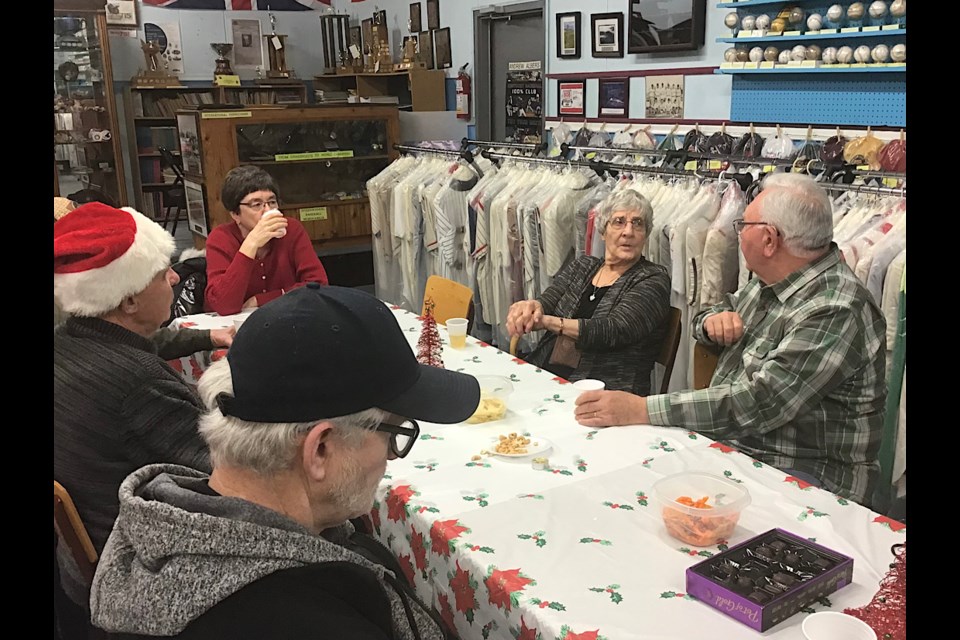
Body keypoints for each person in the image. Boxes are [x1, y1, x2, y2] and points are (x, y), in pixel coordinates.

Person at [90, 285, 481, 639]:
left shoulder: (169, 523)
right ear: (320, 450)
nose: (390, 460)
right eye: (394, 435)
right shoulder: (303, 620)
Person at [574, 173, 887, 507]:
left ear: (769, 240)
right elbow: (711, 313)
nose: (738, 233)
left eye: (743, 224)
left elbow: (760, 402)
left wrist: (641, 408)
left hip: (804, 481)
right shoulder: (772, 282)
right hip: (741, 450)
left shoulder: (835, 309)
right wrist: (712, 322)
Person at [54, 203, 222, 612]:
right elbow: (225, 474)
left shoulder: (67, 343)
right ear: (128, 300)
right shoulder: (139, 383)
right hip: (136, 567)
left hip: (80, 558)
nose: (176, 276)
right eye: (161, 272)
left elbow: (147, 347)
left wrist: (208, 338)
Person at [506, 189, 671, 394]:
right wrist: (530, 307)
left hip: (606, 393)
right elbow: (547, 301)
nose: (628, 231)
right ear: (603, 232)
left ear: (645, 235)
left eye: (637, 223)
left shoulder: (653, 279)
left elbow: (613, 329)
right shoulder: (583, 267)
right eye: (619, 222)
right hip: (548, 375)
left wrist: (548, 322)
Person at [204, 165, 329, 315]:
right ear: (235, 214)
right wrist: (251, 243)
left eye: (272, 202)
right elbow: (223, 305)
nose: (268, 211)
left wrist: (261, 300)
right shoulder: (221, 238)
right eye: (257, 205)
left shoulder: (291, 229)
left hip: (288, 318)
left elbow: (318, 285)